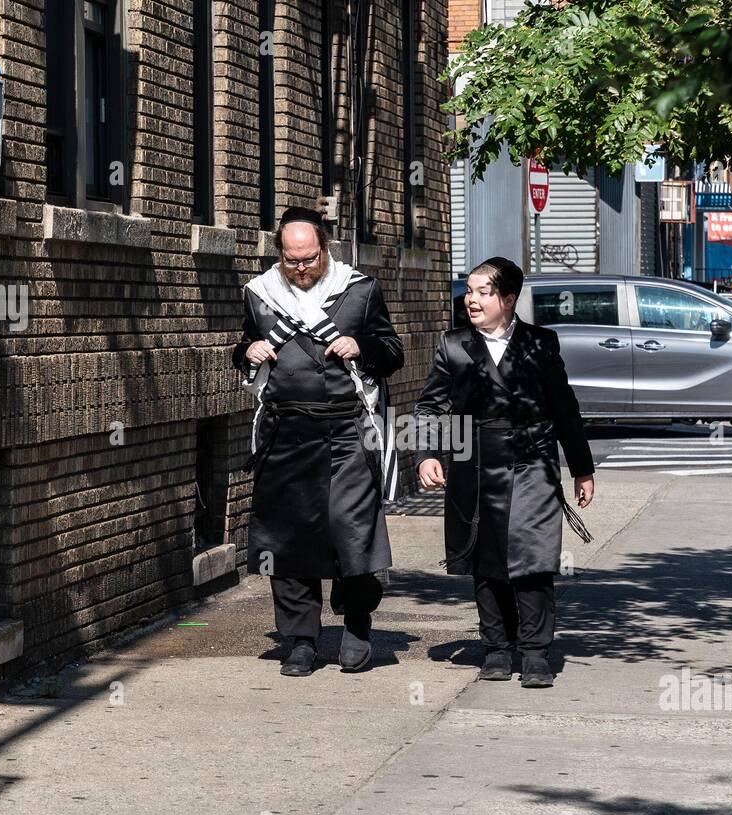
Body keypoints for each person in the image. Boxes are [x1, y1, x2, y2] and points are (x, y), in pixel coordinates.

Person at [233, 206, 403, 675]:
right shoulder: (258, 295)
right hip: (285, 431)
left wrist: (363, 347)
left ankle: (357, 622)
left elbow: (392, 352)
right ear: (280, 256)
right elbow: (244, 349)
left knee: (353, 530)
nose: (301, 268)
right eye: (292, 260)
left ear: (325, 250)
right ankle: (301, 639)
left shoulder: (360, 290)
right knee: (287, 536)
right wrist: (245, 351)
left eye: (309, 259)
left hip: (347, 429)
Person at [414, 257, 595, 688]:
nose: (470, 300)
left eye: (482, 292)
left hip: (534, 459)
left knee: (533, 558)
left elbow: (564, 408)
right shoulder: (453, 345)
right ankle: (496, 647)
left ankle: (535, 651)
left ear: (508, 299)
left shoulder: (540, 342)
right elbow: (430, 406)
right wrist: (426, 454)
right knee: (487, 557)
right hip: (474, 464)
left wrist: (582, 468)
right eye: (469, 291)